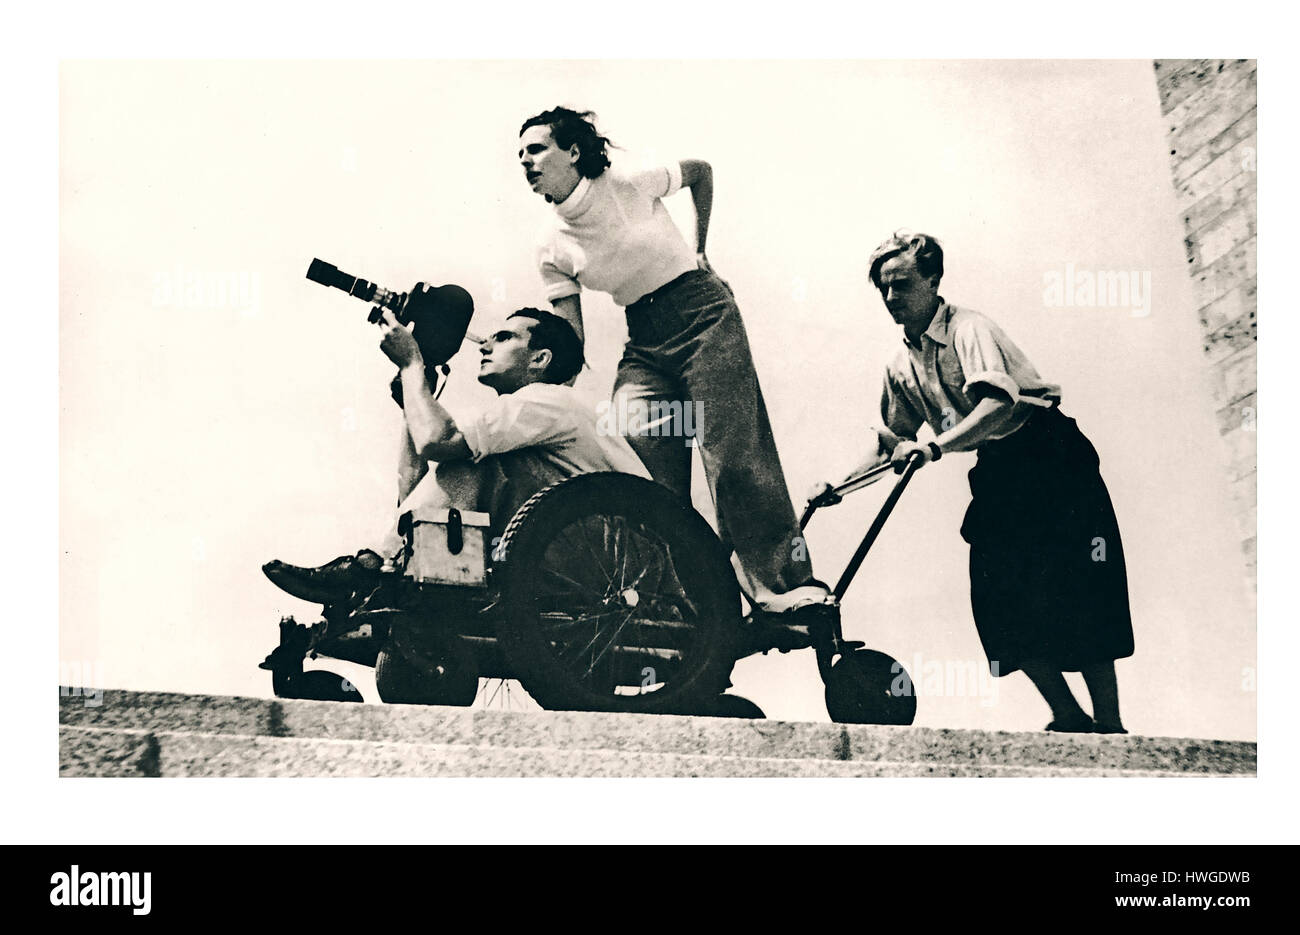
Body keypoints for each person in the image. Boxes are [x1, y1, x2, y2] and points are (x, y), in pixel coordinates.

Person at [516, 106, 827, 618]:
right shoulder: (549, 245)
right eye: (520, 155)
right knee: (636, 467)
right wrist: (537, 387)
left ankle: (778, 588)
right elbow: (571, 340)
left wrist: (702, 249)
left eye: (536, 149)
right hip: (645, 339)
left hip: (704, 314)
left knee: (731, 455)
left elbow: (701, 171)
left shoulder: (631, 184)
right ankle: (671, 604)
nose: (526, 161)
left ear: (572, 151)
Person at [824, 231, 1134, 733]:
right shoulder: (901, 364)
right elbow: (891, 440)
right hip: (998, 467)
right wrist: (837, 487)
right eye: (882, 289)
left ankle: (1111, 723)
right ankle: (1068, 714)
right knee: (997, 590)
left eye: (901, 285)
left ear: (933, 279)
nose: (890, 299)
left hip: (1051, 455)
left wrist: (937, 447)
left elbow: (999, 402)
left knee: (1079, 581)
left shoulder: (970, 329)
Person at [263, 306, 648, 603]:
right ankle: (380, 570)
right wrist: (412, 402)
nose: (485, 345)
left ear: (539, 359)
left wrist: (413, 365)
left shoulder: (550, 399)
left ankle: (370, 569)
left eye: (503, 337)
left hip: (616, 563)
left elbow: (438, 442)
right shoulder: (536, 419)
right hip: (593, 552)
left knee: (468, 458)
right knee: (463, 468)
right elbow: (414, 498)